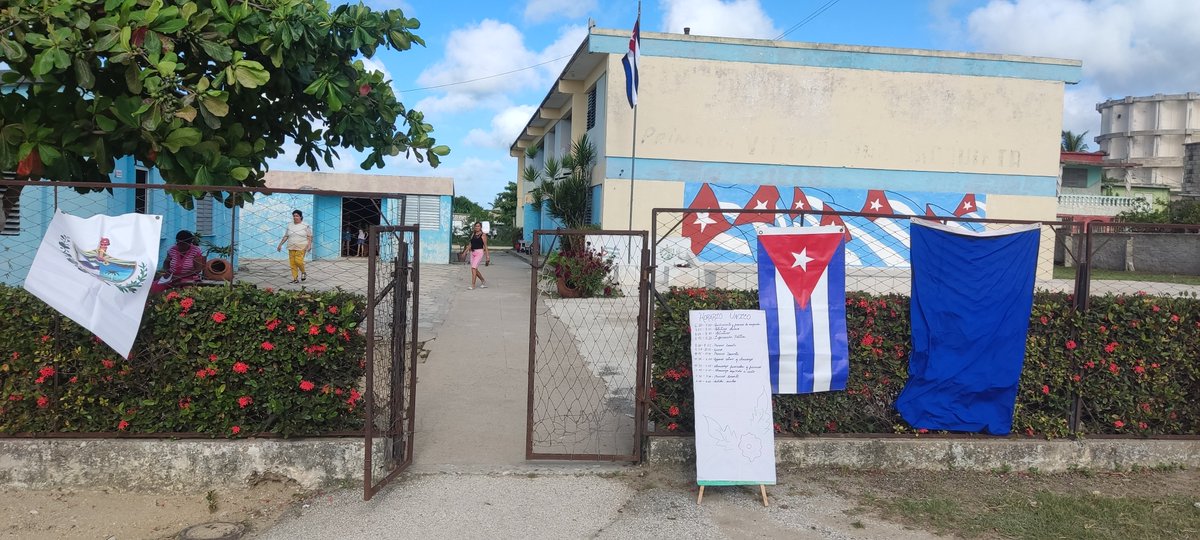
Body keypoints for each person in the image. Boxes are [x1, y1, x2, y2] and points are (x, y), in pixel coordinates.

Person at [150, 230, 206, 294]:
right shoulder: (172, 250)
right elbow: (166, 263)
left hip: (189, 277)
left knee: (186, 289)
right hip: (172, 277)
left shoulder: (195, 251)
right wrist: (167, 272)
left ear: (190, 243)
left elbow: (198, 269)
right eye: (178, 243)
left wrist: (180, 276)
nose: (180, 246)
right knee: (154, 286)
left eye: (183, 244)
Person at [276, 209, 312, 284]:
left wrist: (309, 245)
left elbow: (309, 236)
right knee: (292, 263)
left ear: (301, 217)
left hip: (302, 246)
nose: (295, 217)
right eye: (294, 216)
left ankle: (303, 272)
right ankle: (295, 279)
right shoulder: (290, 225)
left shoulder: (305, 225)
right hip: (291, 246)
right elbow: (286, 236)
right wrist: (280, 244)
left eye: (297, 216)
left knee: (298, 261)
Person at [461, 222, 490, 290]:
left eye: (478, 226)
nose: (477, 227)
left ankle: (473, 285)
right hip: (472, 253)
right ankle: (483, 280)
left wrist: (487, 256)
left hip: (479, 253)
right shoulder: (473, 234)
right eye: (476, 226)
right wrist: (465, 252)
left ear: (481, 227)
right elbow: (470, 244)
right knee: (475, 269)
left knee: (473, 268)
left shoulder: (483, 235)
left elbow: (485, 246)